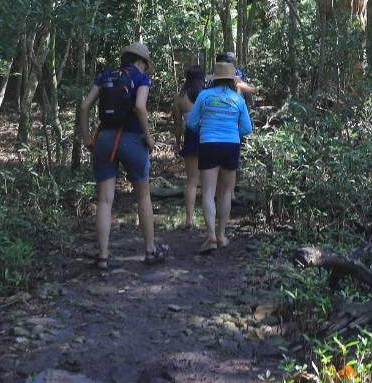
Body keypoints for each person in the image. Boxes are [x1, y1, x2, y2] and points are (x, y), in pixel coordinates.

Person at [78, 41, 168, 269]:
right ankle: (150, 250)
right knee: (143, 196)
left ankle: (103, 256)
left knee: (105, 200)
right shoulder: (141, 78)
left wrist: (88, 138)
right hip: (132, 140)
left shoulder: (106, 76)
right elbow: (139, 106)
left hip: (105, 139)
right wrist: (148, 137)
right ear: (142, 62)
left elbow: (84, 106)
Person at [185, 60, 253, 253]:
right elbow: (247, 128)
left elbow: (191, 123)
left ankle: (211, 237)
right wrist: (231, 130)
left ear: (214, 79)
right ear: (232, 80)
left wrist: (205, 127)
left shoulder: (204, 95)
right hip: (231, 145)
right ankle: (222, 235)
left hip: (208, 144)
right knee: (225, 193)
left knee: (208, 192)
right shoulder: (238, 99)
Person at [171, 65, 207, 230]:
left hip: (191, 138)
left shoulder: (179, 97)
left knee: (191, 181)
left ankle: (189, 220)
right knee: (208, 182)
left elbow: (178, 125)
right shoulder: (207, 95)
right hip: (208, 137)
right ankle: (209, 222)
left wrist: (178, 143)